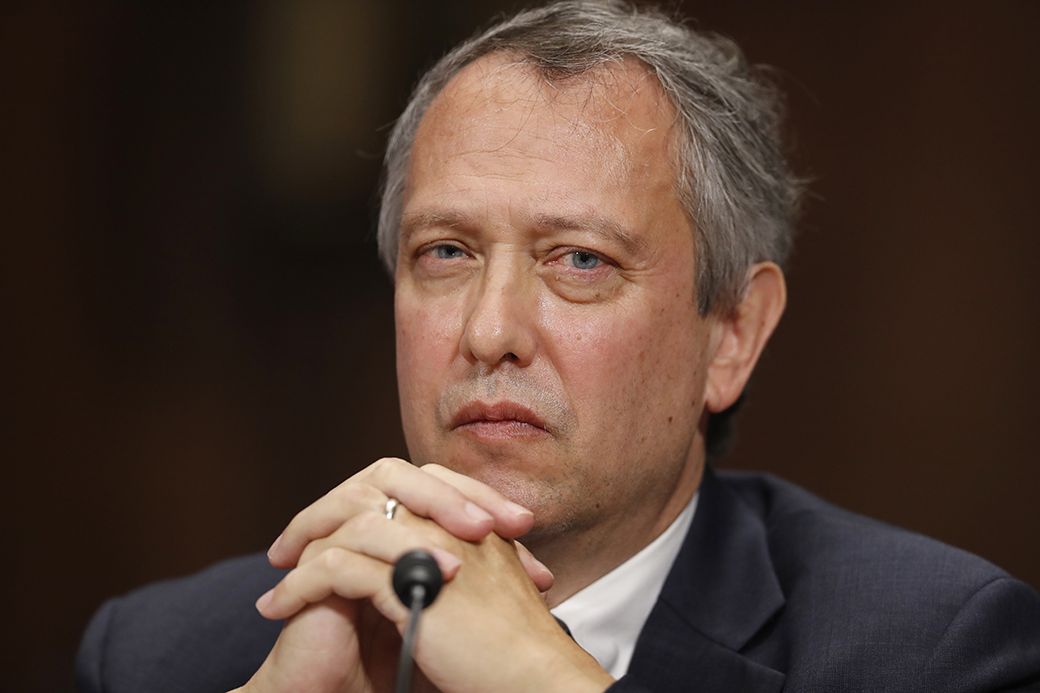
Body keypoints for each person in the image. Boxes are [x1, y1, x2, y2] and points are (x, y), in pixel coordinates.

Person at [77, 2, 1040, 692]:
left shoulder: (933, 653)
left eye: (579, 260)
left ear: (733, 334)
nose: (490, 333)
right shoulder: (166, 654)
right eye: (445, 253)